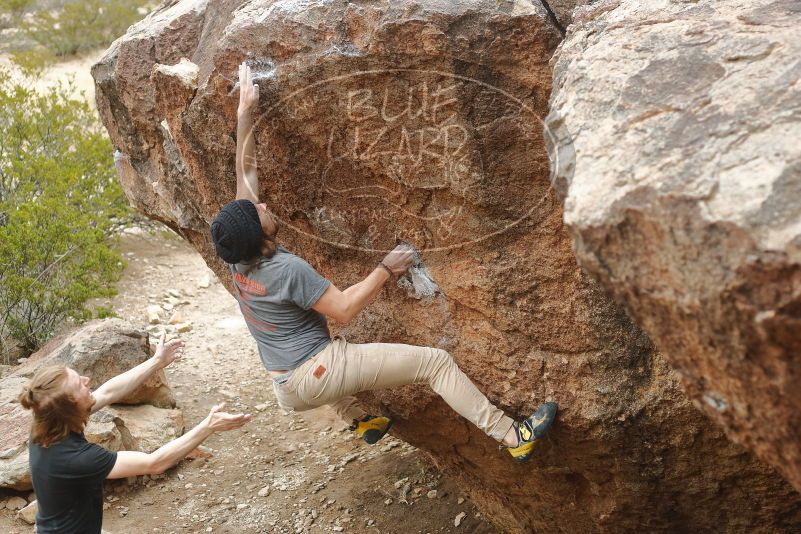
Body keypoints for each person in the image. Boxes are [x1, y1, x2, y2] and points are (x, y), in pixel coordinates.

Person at [209, 62, 557, 462]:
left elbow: (245, 172)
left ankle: (359, 419)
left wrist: (245, 112)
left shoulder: (237, 254)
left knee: (322, 351)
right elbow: (343, 310)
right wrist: (387, 268)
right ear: (260, 234)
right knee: (435, 363)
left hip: (284, 383)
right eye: (260, 211)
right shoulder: (286, 270)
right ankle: (514, 435)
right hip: (315, 375)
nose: (264, 205)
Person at [18, 334, 251, 534]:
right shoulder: (78, 458)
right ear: (71, 405)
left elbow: (109, 392)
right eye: (80, 383)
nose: (87, 380)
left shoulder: (47, 421)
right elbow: (154, 463)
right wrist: (208, 426)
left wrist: (156, 362)